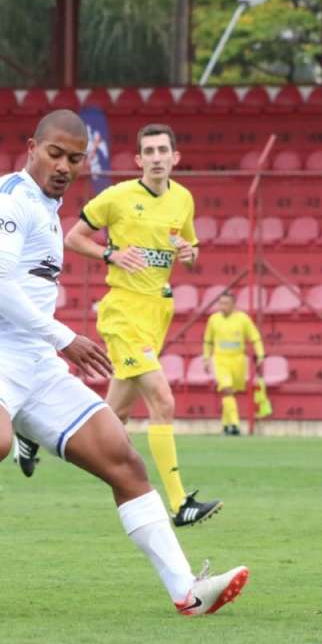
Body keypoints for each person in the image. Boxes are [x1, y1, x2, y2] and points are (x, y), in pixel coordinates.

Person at [0, 110, 248, 616]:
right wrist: (62, 337)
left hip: (34, 363)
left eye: (74, 158)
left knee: (124, 461)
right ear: (31, 147)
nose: (63, 165)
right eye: (54, 153)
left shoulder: (46, 207)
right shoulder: (8, 199)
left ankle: (188, 592)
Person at [38, 122, 220, 528]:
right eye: (149, 152)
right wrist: (110, 254)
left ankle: (37, 432)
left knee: (110, 418)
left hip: (157, 313)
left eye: (163, 151)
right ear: (139, 160)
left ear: (175, 158)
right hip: (123, 312)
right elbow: (73, 237)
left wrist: (191, 253)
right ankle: (179, 503)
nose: (156, 158)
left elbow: (188, 251)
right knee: (163, 401)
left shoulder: (183, 199)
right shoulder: (118, 197)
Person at [202, 290, 265, 436]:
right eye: (221, 303)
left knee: (230, 394)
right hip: (220, 359)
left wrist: (260, 354)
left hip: (238, 361)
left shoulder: (243, 319)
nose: (222, 306)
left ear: (233, 305)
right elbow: (208, 340)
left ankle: (225, 425)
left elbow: (255, 337)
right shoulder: (213, 319)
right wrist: (206, 358)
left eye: (226, 303)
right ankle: (235, 425)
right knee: (227, 389)